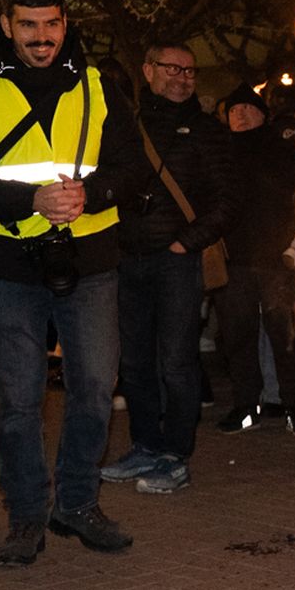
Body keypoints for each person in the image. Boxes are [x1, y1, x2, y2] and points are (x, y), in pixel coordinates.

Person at [0, 0, 144, 566]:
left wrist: (91, 195)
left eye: (51, 24)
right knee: (20, 401)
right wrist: (31, 201)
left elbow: (132, 166)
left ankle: (77, 504)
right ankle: (25, 517)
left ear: (65, 24)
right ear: (6, 25)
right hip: (7, 268)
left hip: (89, 261)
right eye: (28, 24)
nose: (42, 36)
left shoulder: (98, 87)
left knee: (94, 390)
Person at [99, 39, 233, 496]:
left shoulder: (206, 130)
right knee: (134, 363)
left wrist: (185, 244)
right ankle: (145, 445)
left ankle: (176, 455)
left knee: (177, 361)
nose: (182, 78)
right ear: (148, 70)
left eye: (189, 71)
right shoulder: (125, 126)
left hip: (176, 262)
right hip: (128, 259)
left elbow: (227, 200)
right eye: (172, 68)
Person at [212, 84, 295, 435]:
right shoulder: (220, 153)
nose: (240, 115)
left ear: (263, 114)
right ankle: (246, 406)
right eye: (233, 110)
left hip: (276, 259)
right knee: (237, 336)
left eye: (247, 108)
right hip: (234, 259)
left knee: (286, 336)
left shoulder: (284, 150)